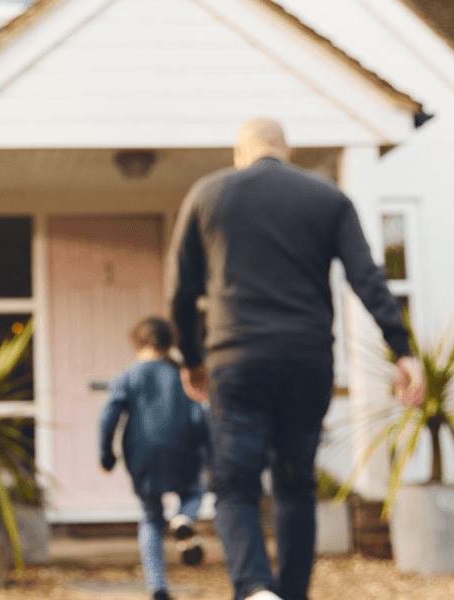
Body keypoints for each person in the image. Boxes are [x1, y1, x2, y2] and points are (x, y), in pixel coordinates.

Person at [168, 118, 425, 600]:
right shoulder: (327, 197)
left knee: (235, 485)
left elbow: (180, 290)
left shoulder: (209, 193)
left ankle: (255, 588)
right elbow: (366, 276)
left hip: (236, 359)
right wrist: (403, 349)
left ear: (240, 152)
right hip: (307, 360)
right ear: (286, 150)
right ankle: (290, 594)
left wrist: (190, 357)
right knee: (295, 484)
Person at [99, 316, 211, 600]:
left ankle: (158, 587)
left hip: (141, 454)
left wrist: (106, 454)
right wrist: (206, 446)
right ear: (169, 341)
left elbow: (109, 417)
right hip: (183, 449)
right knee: (194, 490)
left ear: (137, 343)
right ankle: (184, 518)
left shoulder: (129, 376)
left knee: (151, 517)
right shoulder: (181, 373)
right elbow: (199, 415)